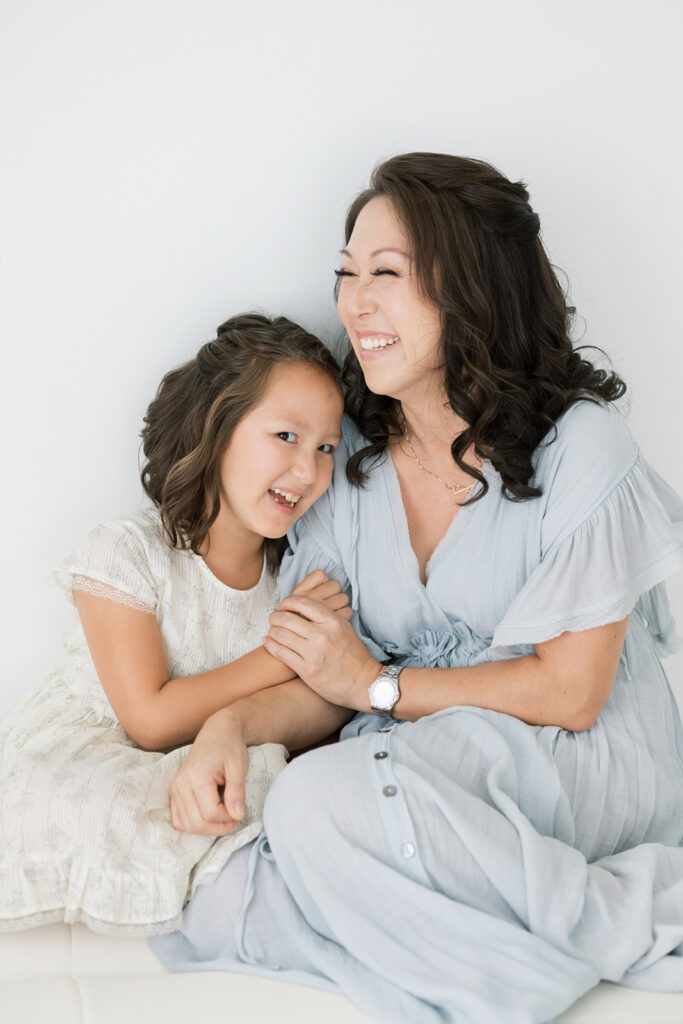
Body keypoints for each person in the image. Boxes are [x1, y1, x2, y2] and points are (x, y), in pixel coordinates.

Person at [151, 155, 683, 1023]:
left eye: (386, 276)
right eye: (346, 276)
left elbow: (571, 692)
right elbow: (323, 678)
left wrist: (376, 687)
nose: (354, 304)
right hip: (439, 752)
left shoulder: (581, 446)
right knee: (242, 873)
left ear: (468, 287)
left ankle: (600, 928)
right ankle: (508, 965)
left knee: (319, 812)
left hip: (578, 758)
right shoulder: (345, 464)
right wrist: (229, 726)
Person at [0, 312, 348, 936]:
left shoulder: (293, 582)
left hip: (209, 755)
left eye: (326, 447)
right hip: (102, 750)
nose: (309, 470)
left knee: (266, 782)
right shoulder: (127, 550)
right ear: (215, 428)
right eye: (287, 437)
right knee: (95, 799)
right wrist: (280, 655)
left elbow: (328, 703)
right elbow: (150, 719)